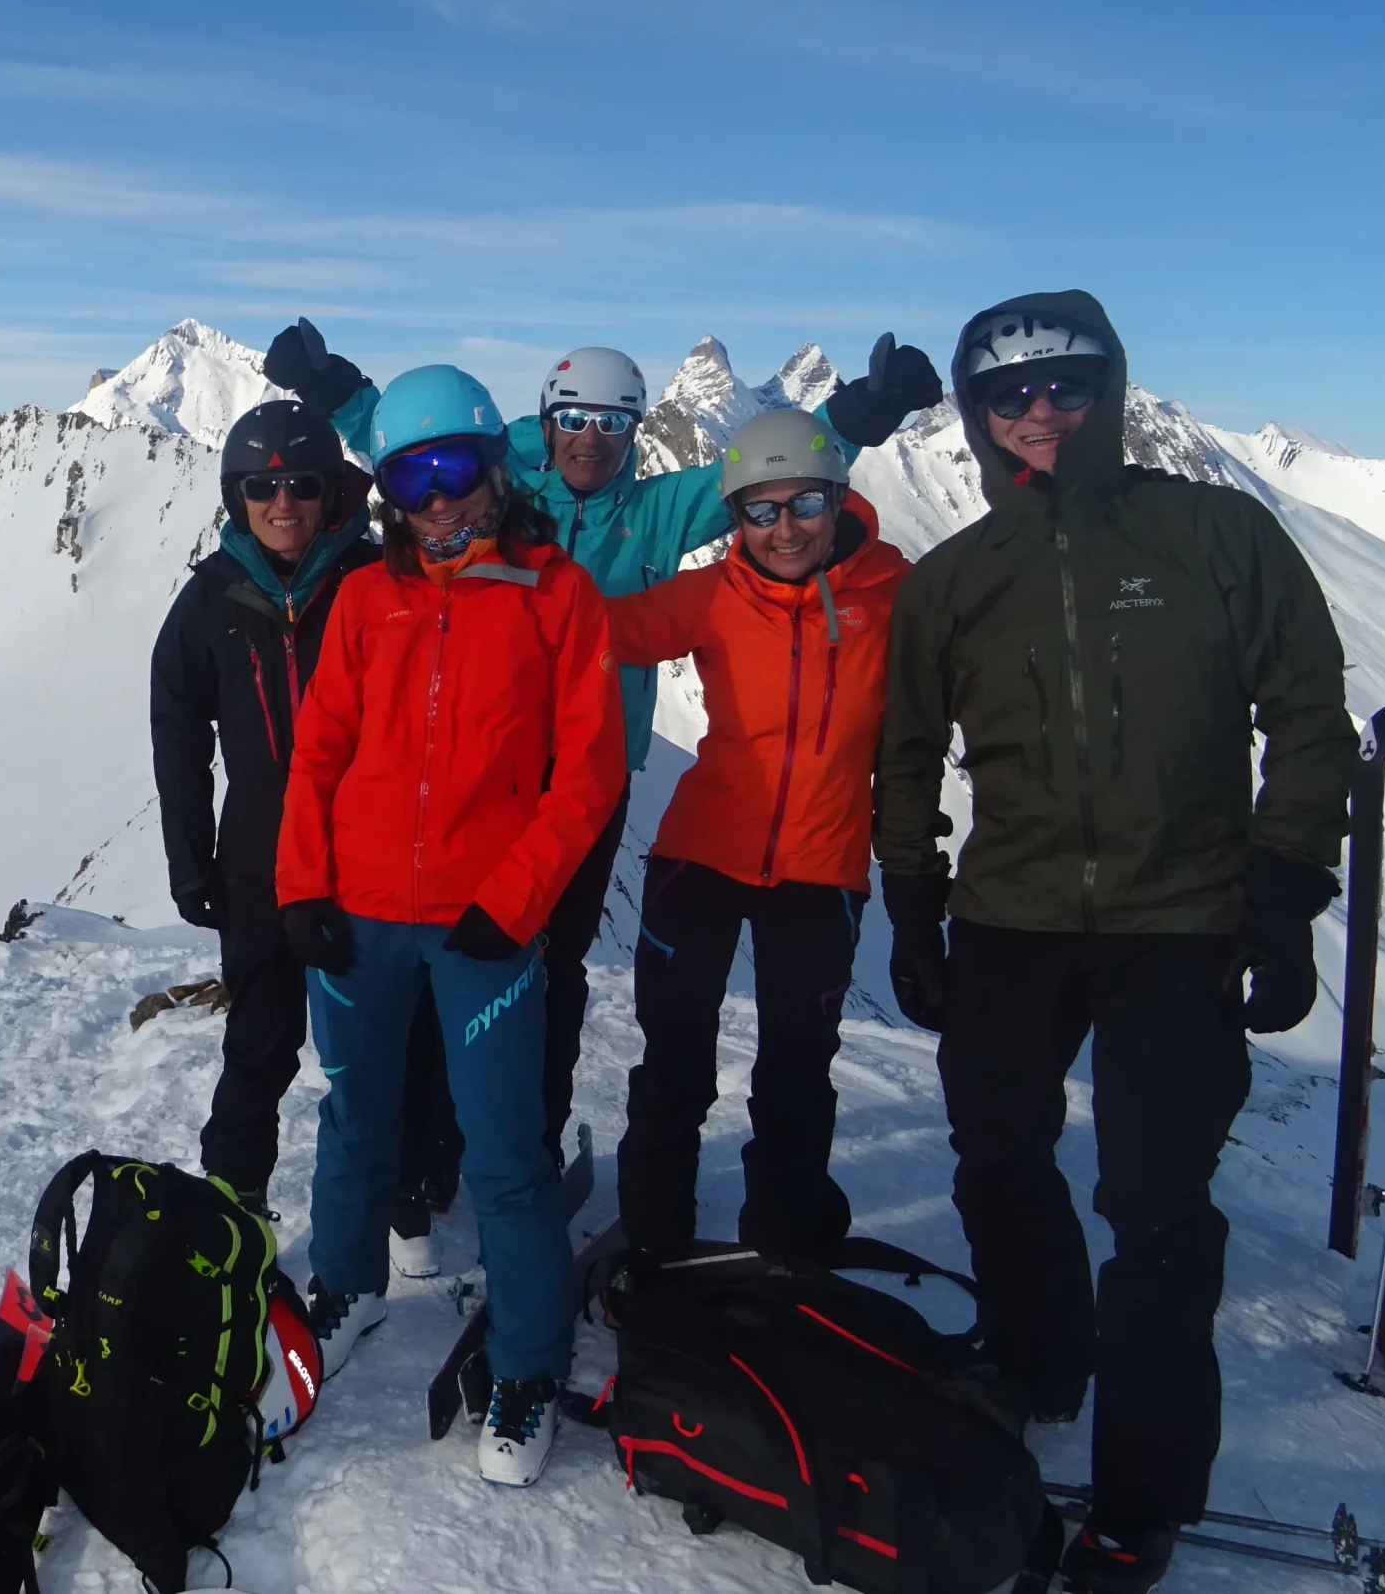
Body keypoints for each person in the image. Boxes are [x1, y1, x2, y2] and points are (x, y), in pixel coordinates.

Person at [874, 294, 1353, 1593]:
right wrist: (914, 903)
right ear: (977, 415)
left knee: (1155, 1209)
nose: (1039, 414)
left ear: (1107, 389)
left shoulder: (1212, 532)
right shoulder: (959, 578)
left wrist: (1284, 886)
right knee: (998, 1152)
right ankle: (1040, 1354)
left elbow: (1309, 709)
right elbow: (906, 754)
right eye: (1011, 396)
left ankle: (1142, 1495)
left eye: (1065, 388)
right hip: (1012, 915)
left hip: (1179, 917)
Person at [267, 329, 940, 1170]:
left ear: (635, 428)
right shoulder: (496, 473)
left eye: (615, 422)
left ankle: (527, 1143)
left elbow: (772, 483)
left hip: (588, 780)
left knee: (550, 969)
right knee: (451, 959)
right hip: (477, 776)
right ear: (546, 423)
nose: (592, 438)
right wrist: (331, 382)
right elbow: (408, 441)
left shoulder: (657, 510)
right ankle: (432, 1148)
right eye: (576, 418)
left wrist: (863, 411)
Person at [276, 364, 626, 1487]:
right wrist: (301, 886)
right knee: (354, 1117)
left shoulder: (553, 594)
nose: (434, 499)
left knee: (506, 1155)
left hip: (484, 922)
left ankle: (526, 1366)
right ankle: (347, 1286)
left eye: (451, 470)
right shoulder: (367, 598)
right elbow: (319, 744)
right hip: (362, 910)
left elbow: (588, 770)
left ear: (492, 467)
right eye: (408, 477)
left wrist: (514, 899)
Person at [600, 405, 912, 1264]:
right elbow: (598, 633)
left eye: (805, 504)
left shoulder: (895, 595)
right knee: (674, 1066)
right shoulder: (713, 594)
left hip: (821, 867)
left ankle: (785, 1238)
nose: (784, 530)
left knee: (796, 1074)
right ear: (734, 514)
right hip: (697, 855)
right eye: (760, 510)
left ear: (839, 496)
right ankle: (653, 1243)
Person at [149, 397, 459, 1248]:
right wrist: (191, 860)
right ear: (234, 494)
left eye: (301, 483)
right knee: (260, 1037)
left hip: (371, 856)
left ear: (332, 492)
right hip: (258, 861)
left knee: (393, 1032)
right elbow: (177, 736)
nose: (281, 502)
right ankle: (231, 1197)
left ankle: (410, 1179)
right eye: (261, 485)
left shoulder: (378, 578)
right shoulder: (210, 600)